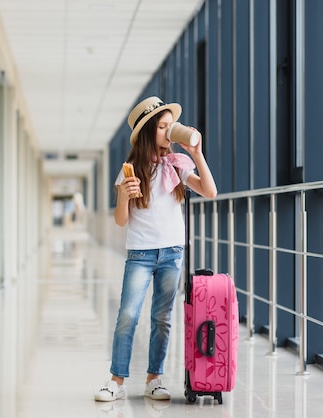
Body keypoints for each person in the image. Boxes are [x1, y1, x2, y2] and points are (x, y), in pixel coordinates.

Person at [94, 96, 217, 402]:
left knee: (162, 318)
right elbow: (121, 221)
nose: (169, 131)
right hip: (141, 253)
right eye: (163, 127)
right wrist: (123, 196)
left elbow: (211, 192)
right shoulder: (130, 171)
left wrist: (197, 154)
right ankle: (116, 380)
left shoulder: (177, 165)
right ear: (149, 132)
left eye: (169, 126)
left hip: (172, 252)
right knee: (127, 315)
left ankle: (154, 378)